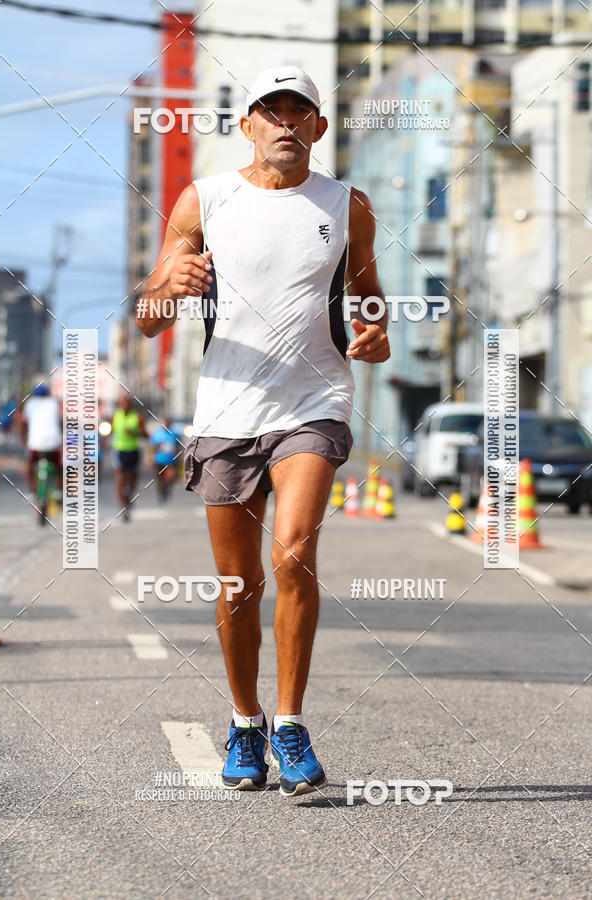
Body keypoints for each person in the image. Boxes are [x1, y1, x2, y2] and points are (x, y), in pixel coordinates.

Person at [137, 66, 390, 797]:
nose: (285, 122)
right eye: (270, 111)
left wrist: (376, 335)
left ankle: (290, 723)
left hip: (314, 402)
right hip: (226, 410)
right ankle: (245, 722)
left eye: (297, 111)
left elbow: (369, 298)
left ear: (318, 127)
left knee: (295, 552)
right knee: (238, 583)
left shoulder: (347, 205)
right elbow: (149, 315)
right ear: (246, 124)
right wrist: (168, 289)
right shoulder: (205, 199)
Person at [20, 384, 62, 498]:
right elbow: (61, 422)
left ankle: (32, 492)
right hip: (53, 444)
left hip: (35, 444)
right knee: (59, 465)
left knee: (30, 466)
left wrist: (23, 439)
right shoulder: (54, 403)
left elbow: (23, 423)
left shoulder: (30, 404)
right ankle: (59, 490)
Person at [111, 394, 147, 522]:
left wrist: (135, 433)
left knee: (133, 477)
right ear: (119, 405)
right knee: (120, 479)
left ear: (130, 405)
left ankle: (129, 495)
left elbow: (145, 434)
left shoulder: (137, 417)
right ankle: (123, 507)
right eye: (122, 403)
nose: (125, 406)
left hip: (133, 450)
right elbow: (109, 430)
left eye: (127, 403)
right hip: (119, 450)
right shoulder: (115, 416)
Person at [149, 417, 181, 502]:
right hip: (159, 460)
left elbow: (178, 447)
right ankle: (161, 493)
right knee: (160, 478)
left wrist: (179, 457)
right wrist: (150, 459)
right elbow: (151, 447)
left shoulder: (175, 434)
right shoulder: (157, 434)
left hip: (171, 461)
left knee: (171, 477)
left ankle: (167, 488)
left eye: (168, 423)